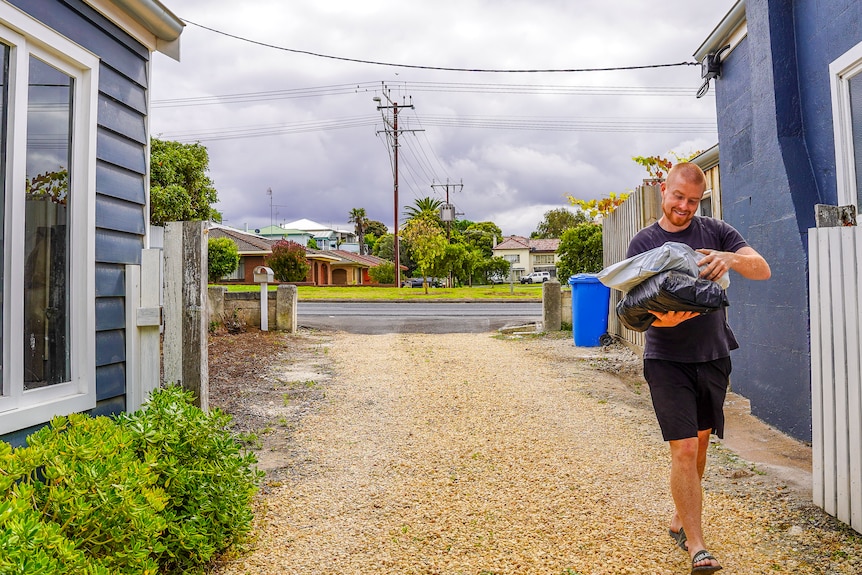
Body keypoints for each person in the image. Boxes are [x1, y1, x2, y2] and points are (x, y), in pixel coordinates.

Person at [626, 163, 770, 574]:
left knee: (701, 443)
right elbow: (629, 311)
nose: (684, 207)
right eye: (678, 197)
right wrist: (658, 319)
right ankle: (697, 544)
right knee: (684, 448)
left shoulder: (716, 231)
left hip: (712, 354)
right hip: (666, 358)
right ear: (662, 190)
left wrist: (731, 259)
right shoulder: (644, 242)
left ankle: (679, 517)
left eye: (693, 200)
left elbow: (762, 268)